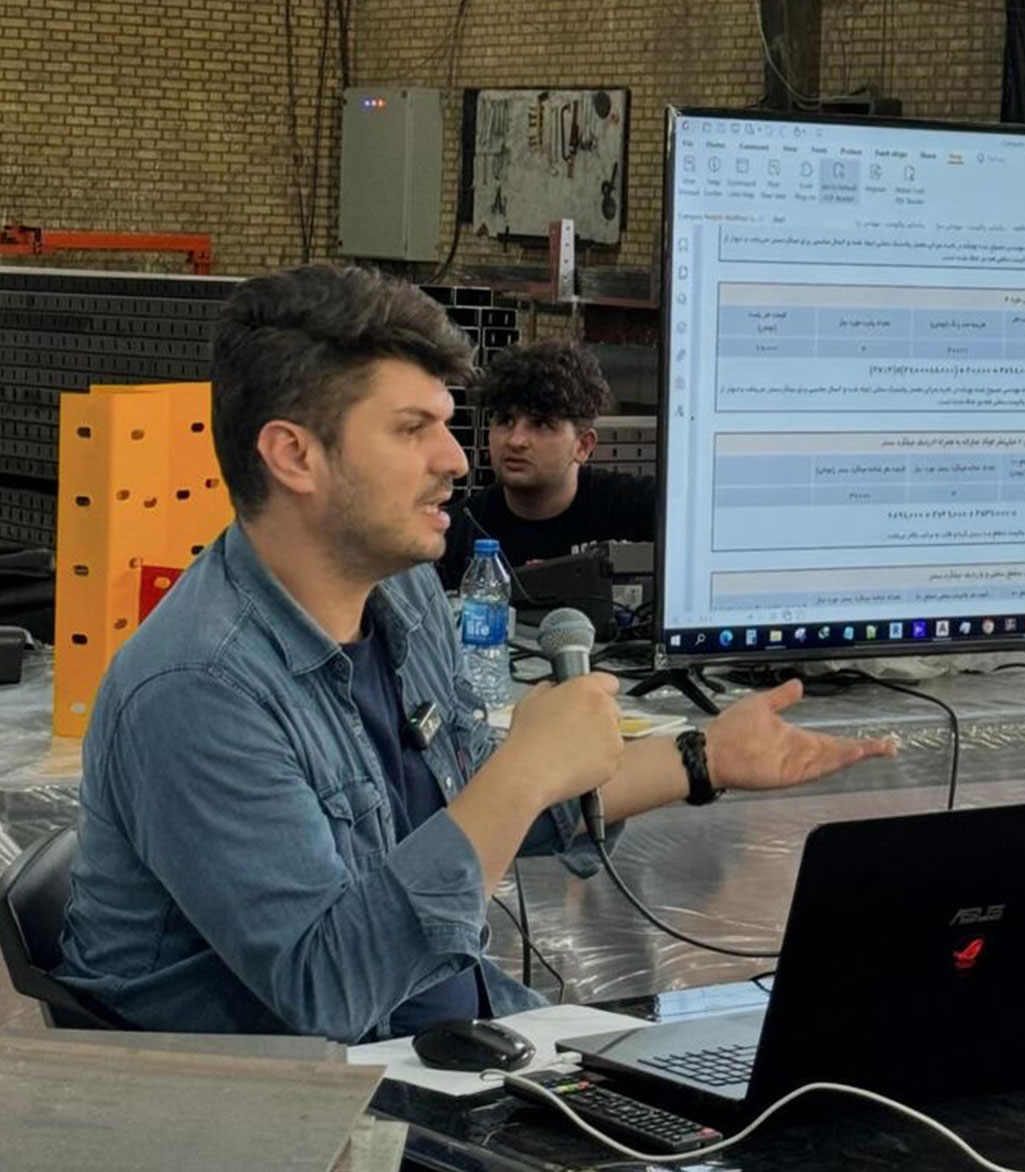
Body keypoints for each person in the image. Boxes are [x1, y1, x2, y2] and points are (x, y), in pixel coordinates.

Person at [55, 265, 894, 1043]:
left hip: (457, 1034)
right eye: (412, 430)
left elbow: (469, 799)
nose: (456, 460)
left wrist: (704, 758)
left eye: (450, 426)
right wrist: (524, 770)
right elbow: (330, 989)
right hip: (302, 1098)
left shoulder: (402, 595)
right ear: (294, 455)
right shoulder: (198, 688)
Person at [438, 340, 653, 589]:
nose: (516, 441)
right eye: (505, 420)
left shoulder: (636, 506)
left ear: (583, 445)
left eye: (540, 424)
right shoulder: (457, 532)